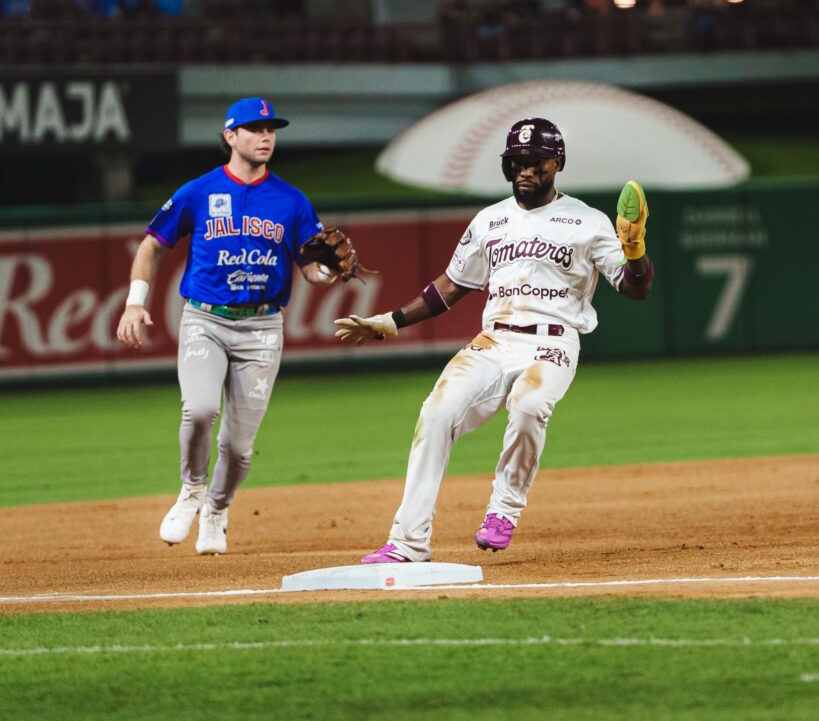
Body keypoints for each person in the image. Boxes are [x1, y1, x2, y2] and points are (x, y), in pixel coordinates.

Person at [335, 118, 653, 563]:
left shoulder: (588, 221)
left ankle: (504, 510)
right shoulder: (490, 220)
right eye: (515, 162)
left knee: (528, 406)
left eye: (534, 161)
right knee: (435, 413)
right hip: (494, 340)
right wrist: (391, 320)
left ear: (556, 163)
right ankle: (407, 542)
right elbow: (450, 286)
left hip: (553, 343)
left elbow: (636, 288)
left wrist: (635, 249)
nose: (524, 169)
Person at [116, 96, 358, 555]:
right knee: (200, 409)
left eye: (271, 129)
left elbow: (311, 271)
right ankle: (191, 491)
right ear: (231, 136)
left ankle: (217, 509)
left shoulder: (292, 201)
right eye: (255, 128)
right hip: (205, 319)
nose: (266, 136)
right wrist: (134, 303)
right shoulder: (198, 191)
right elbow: (152, 245)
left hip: (263, 328)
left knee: (240, 447)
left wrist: (331, 271)